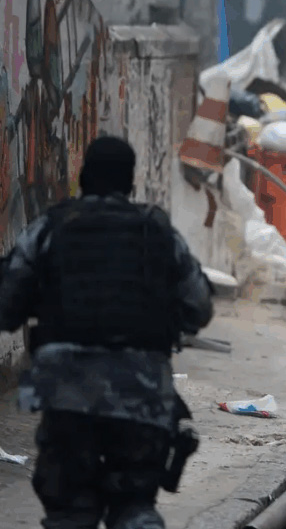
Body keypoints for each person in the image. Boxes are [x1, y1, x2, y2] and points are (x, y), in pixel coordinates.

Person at [0, 136, 214, 529]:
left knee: (69, 511)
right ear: (131, 183)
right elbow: (199, 307)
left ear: (82, 178)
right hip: (141, 393)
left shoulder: (49, 229)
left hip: (66, 394)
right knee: (134, 507)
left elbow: (6, 305)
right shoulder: (157, 232)